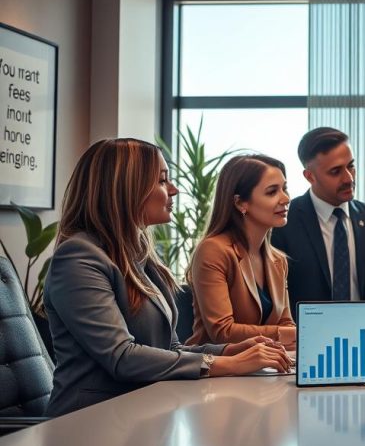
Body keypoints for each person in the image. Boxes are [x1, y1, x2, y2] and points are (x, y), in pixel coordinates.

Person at [44, 139, 291, 417]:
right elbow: (122, 357)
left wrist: (230, 350)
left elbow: (169, 347)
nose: (173, 190)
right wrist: (230, 364)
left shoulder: (138, 255)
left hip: (143, 410)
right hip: (89, 420)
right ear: (127, 189)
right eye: (162, 181)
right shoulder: (78, 257)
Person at [271, 128, 365, 312]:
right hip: (302, 334)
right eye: (335, 171)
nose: (349, 178)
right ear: (310, 176)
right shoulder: (284, 221)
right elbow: (273, 297)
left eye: (351, 166)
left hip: (363, 332)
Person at [186, 154, 296, 348]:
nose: (286, 199)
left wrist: (289, 335)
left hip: (263, 368)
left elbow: (286, 324)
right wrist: (282, 334)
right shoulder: (214, 250)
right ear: (240, 203)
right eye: (272, 192)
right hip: (215, 371)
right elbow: (223, 331)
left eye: (284, 188)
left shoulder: (278, 260)